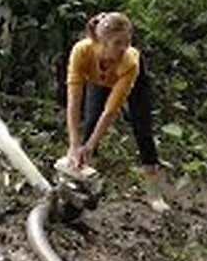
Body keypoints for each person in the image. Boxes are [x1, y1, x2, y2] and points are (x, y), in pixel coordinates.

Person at [65, 11, 170, 213]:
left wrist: (91, 144)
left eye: (127, 42)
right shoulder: (81, 52)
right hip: (100, 78)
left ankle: (154, 193)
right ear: (100, 42)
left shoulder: (129, 61)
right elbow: (74, 101)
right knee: (89, 124)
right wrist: (74, 144)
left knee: (142, 129)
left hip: (133, 80)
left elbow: (110, 111)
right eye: (117, 43)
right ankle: (83, 185)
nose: (123, 48)